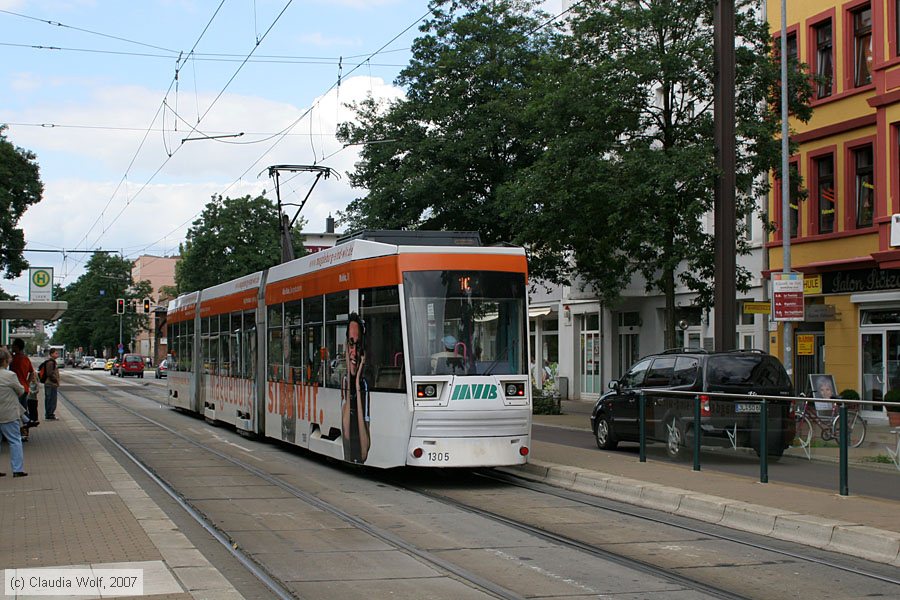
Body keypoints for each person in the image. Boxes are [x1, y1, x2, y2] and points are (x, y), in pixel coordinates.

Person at [341, 313, 370, 464]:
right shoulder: (344, 381)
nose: (354, 352)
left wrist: (357, 385)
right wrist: (350, 375)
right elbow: (346, 436)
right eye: (350, 345)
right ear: (346, 347)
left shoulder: (364, 386)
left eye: (357, 346)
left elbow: (364, 452)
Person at [0, 348, 28, 477]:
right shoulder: (10, 375)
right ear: (5, 361)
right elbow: (21, 390)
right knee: (15, 441)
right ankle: (17, 470)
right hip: (8, 414)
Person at [10, 338, 37, 427]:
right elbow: (32, 372)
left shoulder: (14, 359)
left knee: (16, 410)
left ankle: (23, 426)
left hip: (16, 388)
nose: (12, 347)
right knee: (23, 408)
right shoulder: (26, 359)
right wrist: (27, 382)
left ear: (17, 347)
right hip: (24, 387)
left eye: (13, 346)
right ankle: (26, 429)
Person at [41, 348, 60, 420]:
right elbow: (50, 373)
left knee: (50, 399)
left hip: (51, 383)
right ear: (51, 354)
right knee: (51, 399)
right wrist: (55, 380)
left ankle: (50, 414)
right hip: (50, 383)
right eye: (56, 353)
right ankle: (49, 414)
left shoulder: (52, 362)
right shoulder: (50, 362)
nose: (57, 355)